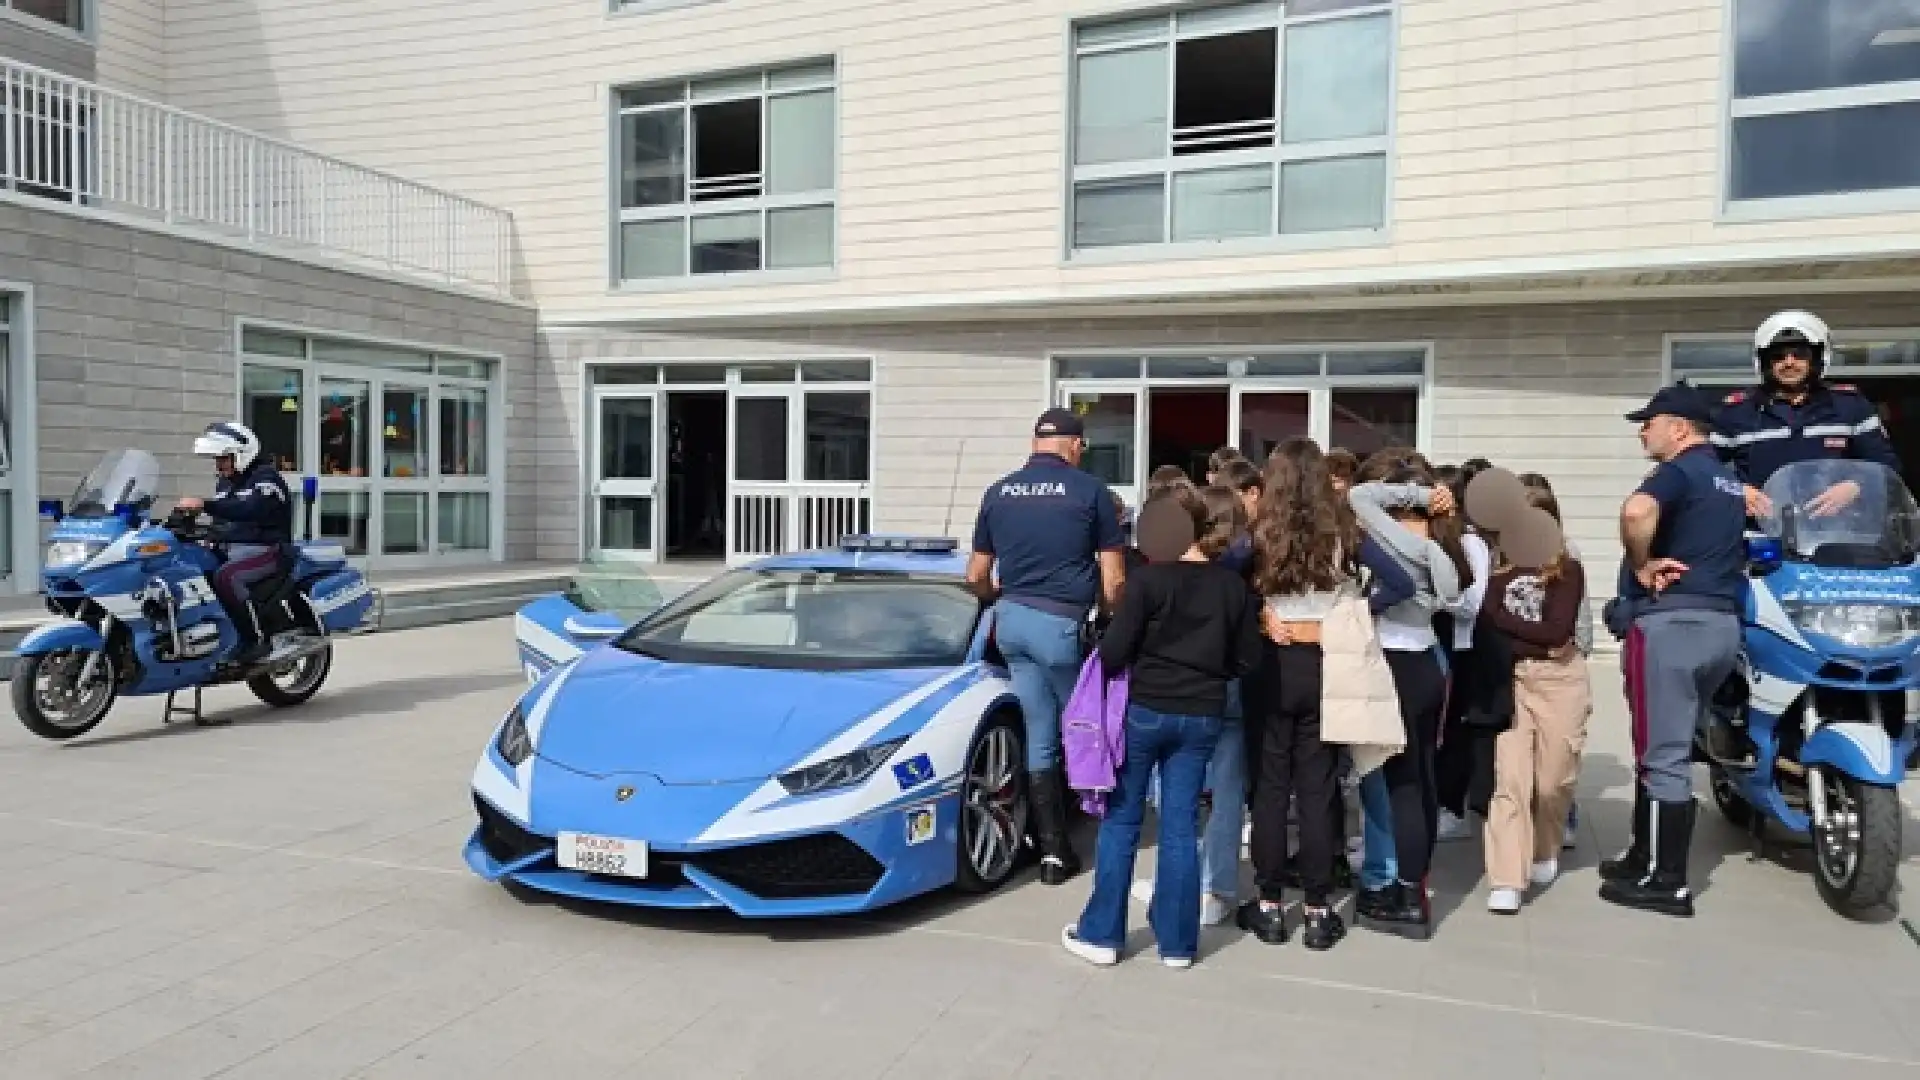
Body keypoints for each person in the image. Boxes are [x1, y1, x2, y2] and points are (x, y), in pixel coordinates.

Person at [1061, 488, 1263, 969]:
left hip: (1145, 710)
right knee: (1180, 826)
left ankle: (1103, 934)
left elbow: (1112, 653)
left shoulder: (1148, 581)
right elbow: (1248, 659)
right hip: (1203, 715)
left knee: (1123, 820)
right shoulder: (1231, 588)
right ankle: (1177, 942)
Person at [1238, 438, 1415, 950]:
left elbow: (1228, 574)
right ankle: (1318, 910)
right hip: (1327, 663)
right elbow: (1401, 582)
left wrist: (1259, 611)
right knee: (1318, 787)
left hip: (1273, 663)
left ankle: (1269, 904)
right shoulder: (1343, 531)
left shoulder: (1260, 532)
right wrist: (1350, 611)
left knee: (1270, 787)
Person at [1600, 384, 1748, 918]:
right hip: (1720, 625)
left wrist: (1640, 565)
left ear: (1680, 428)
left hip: (1673, 625)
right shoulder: (1728, 479)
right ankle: (1642, 856)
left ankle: (1667, 882)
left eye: (1650, 422)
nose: (1644, 430)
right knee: (1664, 743)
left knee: (1662, 754)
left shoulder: (1679, 471)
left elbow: (1637, 514)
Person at [967, 408, 1128, 885]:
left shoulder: (999, 492)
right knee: (1086, 724)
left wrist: (999, 599)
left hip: (1011, 623)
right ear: (1075, 445)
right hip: (1063, 625)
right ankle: (1106, 824)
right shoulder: (1090, 492)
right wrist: (1109, 618)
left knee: (1040, 736)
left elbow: (975, 575)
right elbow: (1114, 580)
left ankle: (1053, 853)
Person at [1345, 456, 1467, 940]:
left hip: (1394, 663)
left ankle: (1405, 894)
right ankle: (1414, 885)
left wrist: (1419, 494)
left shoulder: (1399, 542)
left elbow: (1358, 497)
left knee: (1402, 789)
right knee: (1422, 781)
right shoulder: (1441, 549)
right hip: (1427, 661)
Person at [1476, 511, 1590, 915]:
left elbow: (1558, 631)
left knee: (1552, 781)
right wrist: (1531, 643)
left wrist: (1508, 629)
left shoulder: (1568, 571)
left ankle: (1545, 847)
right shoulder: (1498, 575)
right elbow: (1488, 628)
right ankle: (1506, 878)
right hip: (1512, 682)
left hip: (1561, 681)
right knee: (1511, 781)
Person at [1712, 309, 1901, 518]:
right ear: (1765, 362)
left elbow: (1886, 467)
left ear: (1818, 358)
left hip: (1836, 534)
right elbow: (1704, 471)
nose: (1789, 362)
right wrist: (1738, 491)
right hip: (1761, 535)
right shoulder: (1738, 411)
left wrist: (1856, 485)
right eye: (1778, 356)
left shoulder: (1849, 406)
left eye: (1800, 354)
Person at [173, 422, 292, 665]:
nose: (219, 465)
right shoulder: (225, 484)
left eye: (224, 459)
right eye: (217, 460)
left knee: (227, 578)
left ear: (241, 455)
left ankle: (255, 640)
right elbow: (223, 520)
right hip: (234, 549)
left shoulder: (266, 479)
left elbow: (250, 509)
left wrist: (205, 504)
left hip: (267, 549)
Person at [1518, 473, 1592, 850]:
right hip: (1522, 661)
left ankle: (1564, 816)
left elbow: (1580, 608)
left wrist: (1577, 645)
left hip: (1559, 660)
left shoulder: (1567, 554)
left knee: (1557, 755)